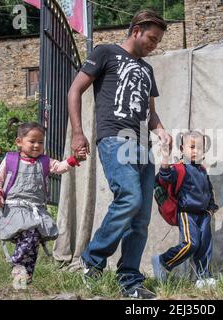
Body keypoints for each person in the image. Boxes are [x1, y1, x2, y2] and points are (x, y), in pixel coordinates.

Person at [67, 9, 172, 299]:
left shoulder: (147, 70)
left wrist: (161, 130)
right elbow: (75, 90)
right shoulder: (106, 53)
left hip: (142, 146)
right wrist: (78, 132)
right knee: (130, 198)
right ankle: (93, 259)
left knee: (140, 218)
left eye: (158, 41)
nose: (155, 44)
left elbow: (150, 112)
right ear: (136, 30)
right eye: (152, 38)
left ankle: (129, 281)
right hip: (114, 139)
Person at [0, 120, 86, 289]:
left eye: (40, 142)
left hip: (35, 209)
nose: (36, 145)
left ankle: (23, 280)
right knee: (28, 238)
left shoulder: (44, 161)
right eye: (32, 141)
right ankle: (16, 264)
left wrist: (73, 159)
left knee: (32, 243)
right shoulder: (10, 159)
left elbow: (60, 167)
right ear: (19, 142)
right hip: (14, 208)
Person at [151, 130, 219, 288]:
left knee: (204, 246)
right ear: (182, 149)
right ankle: (163, 261)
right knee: (190, 244)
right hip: (186, 213)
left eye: (200, 148)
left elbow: (208, 191)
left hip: (203, 215)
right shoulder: (179, 168)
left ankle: (203, 277)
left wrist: (210, 209)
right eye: (192, 147)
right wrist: (166, 157)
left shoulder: (202, 170)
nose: (196, 151)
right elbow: (165, 176)